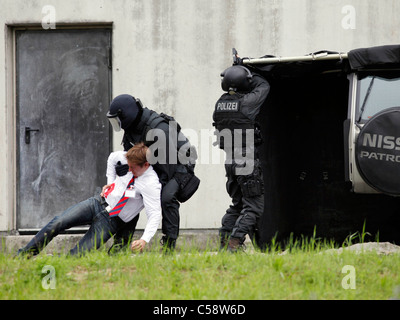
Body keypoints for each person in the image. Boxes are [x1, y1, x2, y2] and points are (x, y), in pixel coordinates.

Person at [17, 143, 161, 256]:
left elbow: (154, 214)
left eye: (133, 168)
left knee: (79, 254)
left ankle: (60, 268)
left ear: (146, 165)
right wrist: (110, 183)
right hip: (97, 203)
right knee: (58, 222)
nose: (129, 170)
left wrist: (144, 239)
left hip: (111, 221)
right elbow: (112, 158)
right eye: (128, 166)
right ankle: (25, 255)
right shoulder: (127, 157)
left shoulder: (151, 184)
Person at [106, 94, 199, 252]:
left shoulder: (157, 129)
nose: (118, 124)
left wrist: (149, 189)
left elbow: (167, 169)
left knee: (167, 197)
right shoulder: (131, 128)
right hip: (156, 165)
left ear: (127, 114)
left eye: (118, 119)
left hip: (179, 165)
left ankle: (169, 247)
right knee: (130, 193)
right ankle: (120, 244)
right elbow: (129, 156)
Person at [213, 65, 270, 252]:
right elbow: (264, 85)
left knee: (237, 205)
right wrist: (251, 70)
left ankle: (224, 242)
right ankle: (234, 244)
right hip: (245, 161)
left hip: (230, 161)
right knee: (254, 207)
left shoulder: (220, 104)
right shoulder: (246, 103)